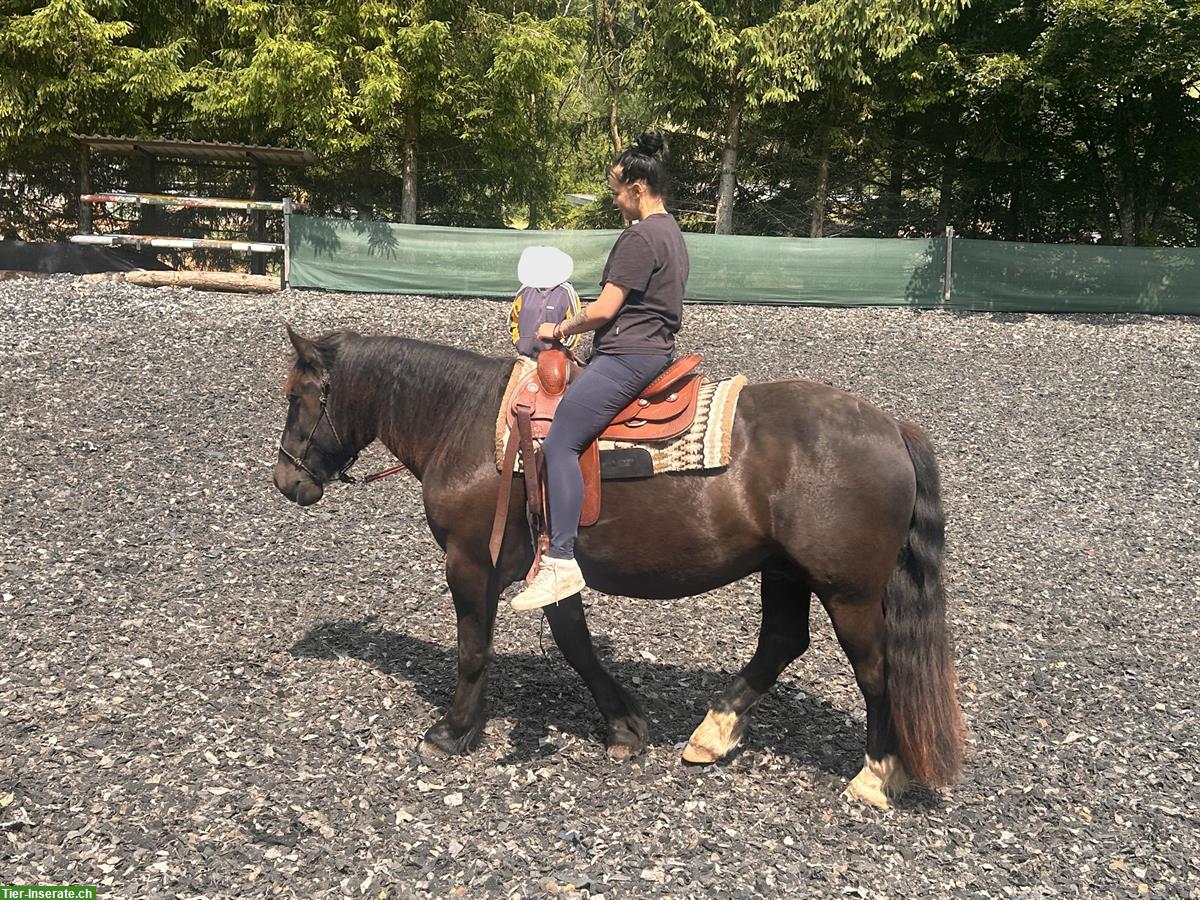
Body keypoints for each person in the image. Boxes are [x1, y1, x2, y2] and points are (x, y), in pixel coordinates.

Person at [510, 129, 689, 611]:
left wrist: (560, 327)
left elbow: (606, 309)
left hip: (629, 354)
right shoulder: (672, 231)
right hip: (654, 349)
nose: (614, 202)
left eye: (615, 192)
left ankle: (561, 561)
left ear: (636, 188)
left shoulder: (639, 237)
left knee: (563, 437)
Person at [508, 245, 582, 358]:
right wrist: (518, 342)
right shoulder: (526, 289)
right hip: (524, 355)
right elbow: (513, 320)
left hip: (554, 358)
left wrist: (563, 347)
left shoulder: (566, 292)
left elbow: (576, 324)